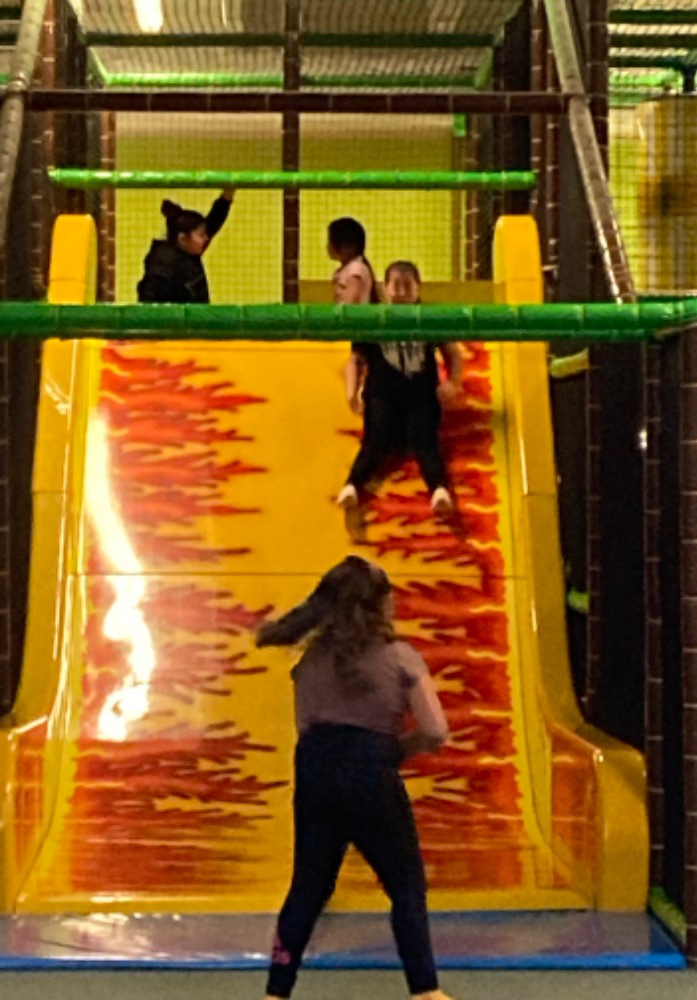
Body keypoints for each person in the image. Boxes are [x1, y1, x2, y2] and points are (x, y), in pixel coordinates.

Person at [256, 556, 451, 1000]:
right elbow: (435, 730)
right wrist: (397, 749)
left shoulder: (309, 661)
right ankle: (425, 990)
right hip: (370, 773)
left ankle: (276, 990)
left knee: (307, 889)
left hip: (315, 769)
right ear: (380, 606)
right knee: (405, 885)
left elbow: (305, 727)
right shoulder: (400, 658)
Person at [337, 260, 462, 517]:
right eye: (396, 285)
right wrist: (352, 391)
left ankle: (439, 490)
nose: (402, 292)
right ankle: (352, 485)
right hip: (382, 394)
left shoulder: (428, 319)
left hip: (420, 395)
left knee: (425, 441)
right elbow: (355, 359)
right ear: (386, 289)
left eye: (408, 286)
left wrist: (453, 383)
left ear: (418, 289)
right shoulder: (374, 320)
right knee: (375, 440)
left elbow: (453, 352)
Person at [137, 187, 235, 303]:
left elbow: (215, 220)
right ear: (183, 238)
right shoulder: (162, 262)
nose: (206, 238)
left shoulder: (189, 248)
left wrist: (229, 192)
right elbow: (148, 299)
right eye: (201, 235)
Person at [328, 216, 380, 305]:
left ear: (347, 246)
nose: (328, 246)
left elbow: (350, 304)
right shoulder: (346, 269)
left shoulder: (355, 269)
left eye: (331, 241)